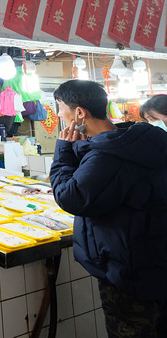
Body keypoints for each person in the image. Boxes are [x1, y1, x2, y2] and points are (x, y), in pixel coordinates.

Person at [49, 80, 167, 337]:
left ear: (79, 112)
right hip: (153, 259)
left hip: (127, 270)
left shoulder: (107, 155)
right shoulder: (135, 140)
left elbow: (72, 198)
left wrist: (64, 152)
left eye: (60, 107)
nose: (59, 115)